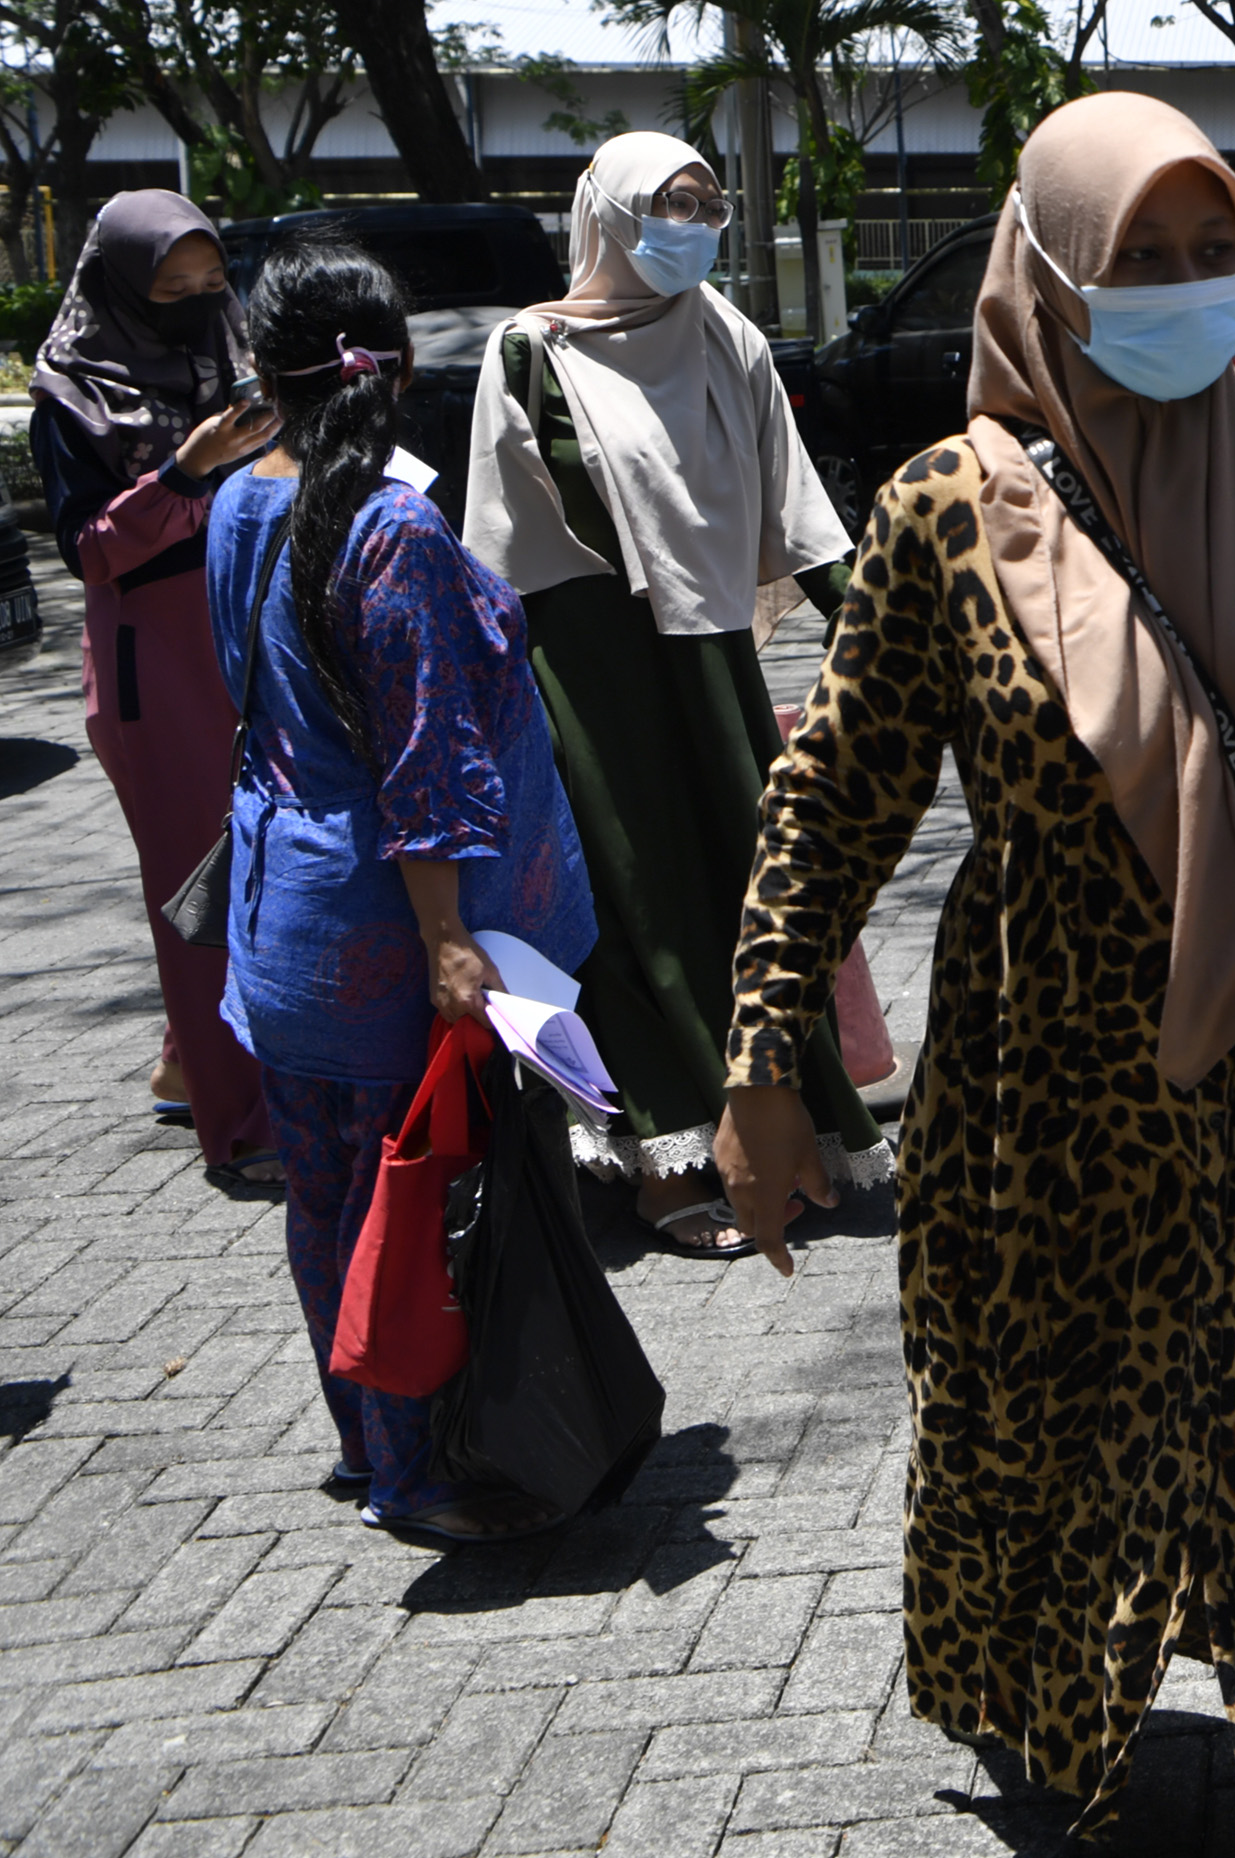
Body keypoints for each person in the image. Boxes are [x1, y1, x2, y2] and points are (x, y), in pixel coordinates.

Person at [711, 95, 1235, 1854]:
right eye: (1142, 259)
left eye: (1215, 252)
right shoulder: (944, 515)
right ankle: (1070, 1723)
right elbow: (834, 785)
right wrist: (764, 1048)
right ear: (1051, 272)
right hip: (1054, 1092)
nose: (1189, 289)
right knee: (1058, 1442)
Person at [210, 236, 599, 1543]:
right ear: (395, 357)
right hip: (382, 928)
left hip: (277, 919)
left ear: (263, 370)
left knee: (324, 1194)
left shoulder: (236, 502)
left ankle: (356, 1432)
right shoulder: (395, 526)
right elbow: (425, 753)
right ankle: (414, 1469)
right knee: (413, 1198)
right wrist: (449, 941)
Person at [463, 133, 882, 1253]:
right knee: (637, 902)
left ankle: (788, 1129)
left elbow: (802, 508)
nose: (692, 222)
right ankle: (663, 1160)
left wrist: (884, 638)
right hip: (590, 670)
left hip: (710, 662)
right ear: (605, 213)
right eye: (669, 202)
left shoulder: (725, 334)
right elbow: (497, 548)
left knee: (749, 891)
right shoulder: (529, 351)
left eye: (705, 202)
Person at [26, 192, 285, 1187]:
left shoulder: (234, 358)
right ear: (122, 288)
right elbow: (88, 550)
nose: (194, 304)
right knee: (201, 897)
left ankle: (189, 1064)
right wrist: (185, 470)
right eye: (169, 290)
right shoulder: (73, 393)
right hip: (155, 664)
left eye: (209, 284)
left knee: (269, 869)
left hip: (249, 639)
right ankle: (244, 1122)